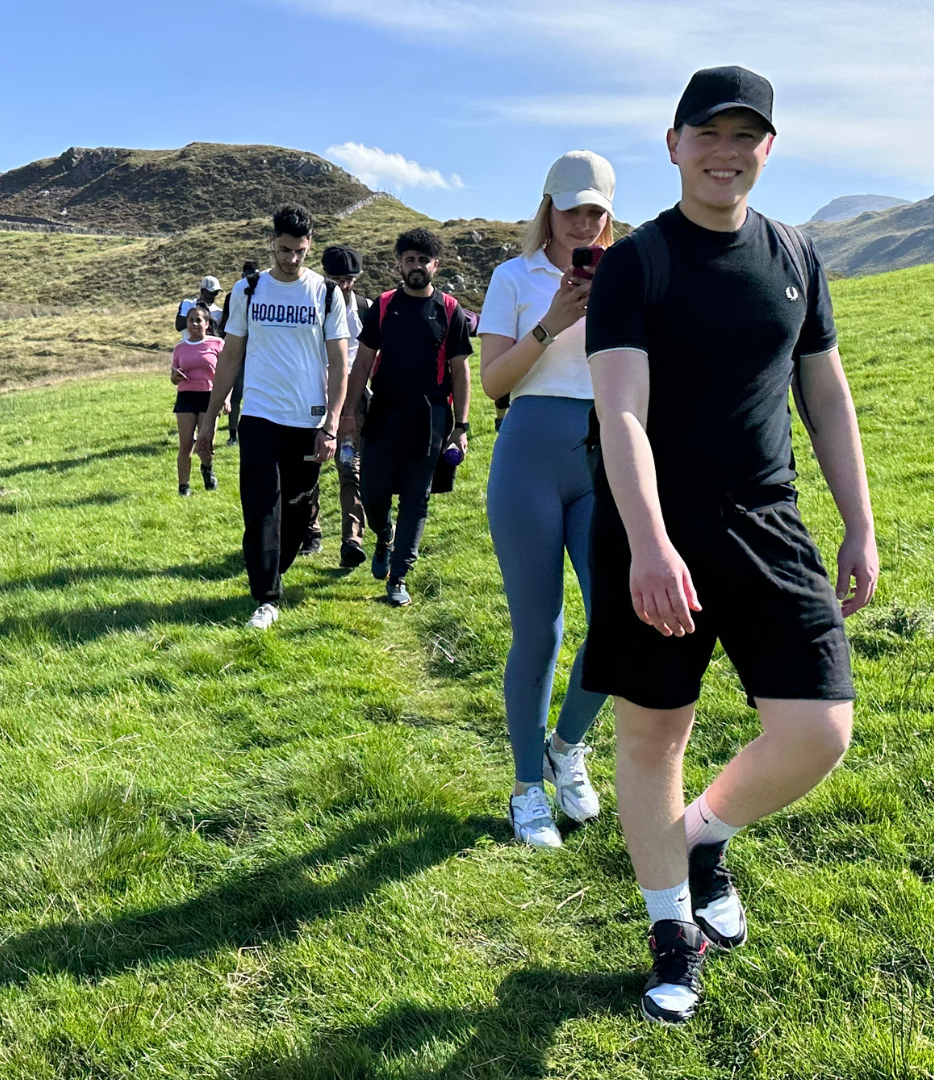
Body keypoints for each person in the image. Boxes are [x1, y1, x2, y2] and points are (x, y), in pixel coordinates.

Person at [583, 66, 878, 1025]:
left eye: (745, 135)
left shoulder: (796, 255)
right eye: (706, 132)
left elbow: (826, 401)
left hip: (767, 521)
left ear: (767, 150)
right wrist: (650, 543)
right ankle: (673, 929)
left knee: (817, 730)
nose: (725, 150)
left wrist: (860, 524)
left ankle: (705, 833)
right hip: (653, 526)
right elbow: (621, 409)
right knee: (652, 732)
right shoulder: (637, 263)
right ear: (672, 145)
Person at [478, 151, 615, 848]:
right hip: (528, 457)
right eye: (571, 209)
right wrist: (552, 321)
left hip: (604, 459)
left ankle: (568, 746)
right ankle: (527, 788)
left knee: (620, 624)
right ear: (548, 209)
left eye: (595, 210)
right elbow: (493, 384)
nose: (583, 223)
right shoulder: (513, 276)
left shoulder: (628, 275)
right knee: (540, 631)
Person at [196, 204, 349, 630]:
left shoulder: (327, 294)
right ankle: (265, 597)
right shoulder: (247, 291)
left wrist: (332, 425)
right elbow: (229, 358)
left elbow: (339, 366)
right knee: (260, 507)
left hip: (308, 418)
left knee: (298, 510)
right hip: (260, 415)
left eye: (300, 251)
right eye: (284, 250)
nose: (292, 259)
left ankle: (274, 572)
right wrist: (210, 420)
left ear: (310, 245)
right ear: (271, 242)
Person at [340, 228, 472, 607]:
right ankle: (384, 536)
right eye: (409, 259)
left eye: (423, 260)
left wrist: (460, 427)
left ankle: (398, 577)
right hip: (383, 411)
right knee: (373, 493)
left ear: (436, 265)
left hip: (430, 416)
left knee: (416, 497)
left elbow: (460, 371)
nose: (416, 266)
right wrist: (349, 415)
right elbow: (362, 362)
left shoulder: (450, 310)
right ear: (399, 263)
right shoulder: (382, 305)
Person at [320, 244, 371, 568]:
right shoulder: (314, 305)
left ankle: (352, 539)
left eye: (349, 279)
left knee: (349, 467)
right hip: (315, 397)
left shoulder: (365, 308)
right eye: (337, 278)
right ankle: (309, 532)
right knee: (308, 466)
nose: (343, 285)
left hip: (353, 400)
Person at [170, 302, 223, 496]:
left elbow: (226, 373)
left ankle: (207, 469)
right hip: (186, 397)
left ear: (207, 323)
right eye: (191, 320)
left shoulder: (217, 344)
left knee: (205, 443)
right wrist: (176, 377)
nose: (194, 324)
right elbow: (173, 376)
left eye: (198, 320)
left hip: (210, 397)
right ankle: (183, 487)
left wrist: (226, 398)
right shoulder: (180, 348)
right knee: (185, 444)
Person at [218, 261, 261, 448]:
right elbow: (227, 325)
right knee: (236, 395)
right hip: (240, 351)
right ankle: (233, 434)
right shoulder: (234, 295)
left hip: (259, 352)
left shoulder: (265, 294)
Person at [176, 276, 222, 341]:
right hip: (187, 346)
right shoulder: (187, 304)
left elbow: (217, 334)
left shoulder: (219, 312)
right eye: (210, 293)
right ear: (202, 291)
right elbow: (179, 325)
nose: (213, 296)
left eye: (216, 293)